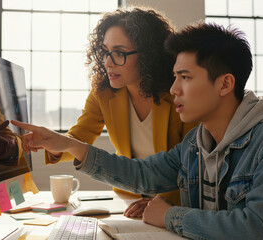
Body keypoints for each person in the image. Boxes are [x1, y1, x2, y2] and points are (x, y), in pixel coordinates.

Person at [12, 22, 263, 239]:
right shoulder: (195, 144)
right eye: (174, 77)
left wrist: (170, 216)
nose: (174, 89)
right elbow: (142, 175)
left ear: (225, 83)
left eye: (184, 77)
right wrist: (72, 145)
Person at [44, 7, 198, 215]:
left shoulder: (178, 93)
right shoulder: (104, 93)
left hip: (177, 203)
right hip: (128, 201)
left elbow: (191, 164)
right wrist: (50, 143)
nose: (108, 62)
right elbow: (80, 135)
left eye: (119, 53)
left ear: (148, 55)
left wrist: (162, 203)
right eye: (105, 52)